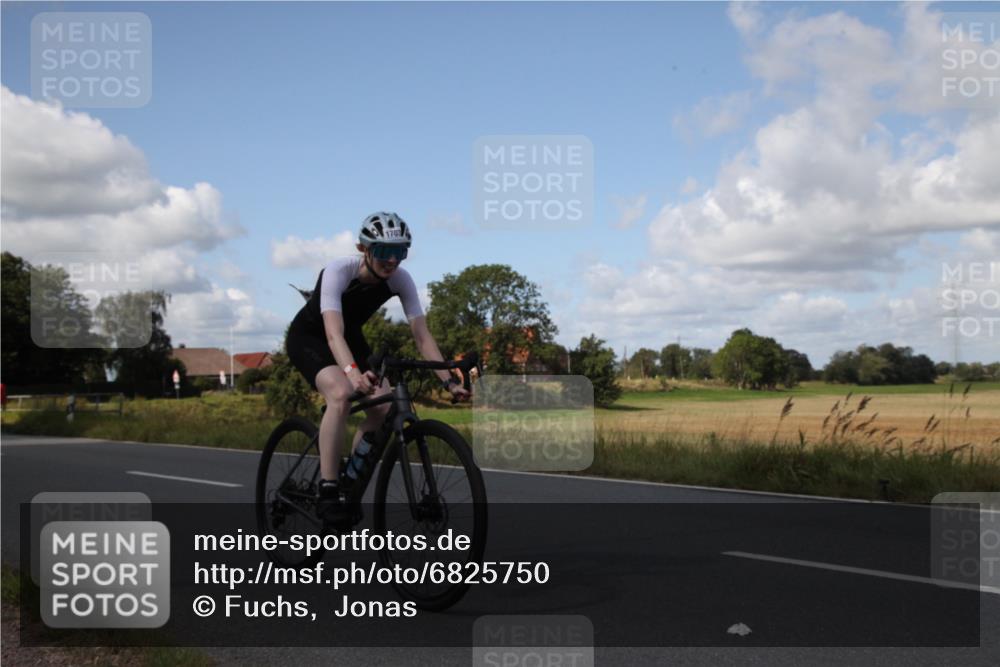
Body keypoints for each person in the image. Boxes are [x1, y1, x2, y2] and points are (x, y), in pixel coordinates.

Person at [285, 212, 469, 527]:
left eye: (401, 252)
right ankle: (328, 489)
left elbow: (422, 337)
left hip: (351, 338)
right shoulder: (338, 272)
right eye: (385, 251)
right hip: (312, 336)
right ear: (364, 248)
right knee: (341, 393)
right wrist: (353, 374)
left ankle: (350, 479)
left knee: (383, 406)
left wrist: (449, 382)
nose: (393, 260)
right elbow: (333, 334)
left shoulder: (401, 279)